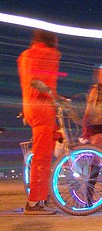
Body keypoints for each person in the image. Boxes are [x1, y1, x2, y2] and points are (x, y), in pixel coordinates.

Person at [18, 30, 61, 215]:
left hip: (29, 107)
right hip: (43, 108)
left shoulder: (25, 55)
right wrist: (56, 98)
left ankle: (43, 195)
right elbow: (45, 84)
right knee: (42, 157)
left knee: (47, 147)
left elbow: (33, 81)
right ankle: (35, 202)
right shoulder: (50, 54)